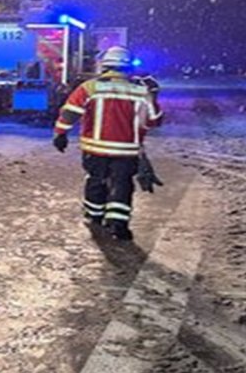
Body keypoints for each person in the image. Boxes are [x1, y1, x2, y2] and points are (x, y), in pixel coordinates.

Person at [52, 46, 163, 241]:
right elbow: (154, 121)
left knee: (96, 180)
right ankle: (118, 224)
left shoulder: (90, 87)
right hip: (126, 151)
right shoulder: (141, 91)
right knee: (122, 183)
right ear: (128, 68)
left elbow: (70, 112)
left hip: (95, 149)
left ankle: (95, 215)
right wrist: (154, 95)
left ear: (104, 66)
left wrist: (61, 134)